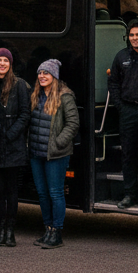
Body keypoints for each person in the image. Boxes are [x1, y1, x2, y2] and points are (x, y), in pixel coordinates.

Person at [28, 59, 79, 249]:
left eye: (46, 73)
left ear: (54, 76)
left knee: (55, 193)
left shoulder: (65, 97)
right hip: (36, 153)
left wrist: (58, 143)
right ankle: (47, 229)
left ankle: (57, 232)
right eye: (40, 73)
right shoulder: (36, 95)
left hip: (55, 154)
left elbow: (73, 124)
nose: (42, 76)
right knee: (42, 194)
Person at [0, 48, 30, 247]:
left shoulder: (19, 85)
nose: (2, 63)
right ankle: (0, 229)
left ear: (10, 64)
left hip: (13, 145)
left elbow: (25, 114)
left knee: (12, 191)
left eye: (6, 60)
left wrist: (11, 134)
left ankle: (10, 231)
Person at [109, 18, 138, 209]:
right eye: (132, 35)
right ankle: (129, 194)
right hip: (127, 111)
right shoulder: (121, 57)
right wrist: (120, 106)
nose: (134, 38)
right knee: (128, 154)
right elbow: (113, 83)